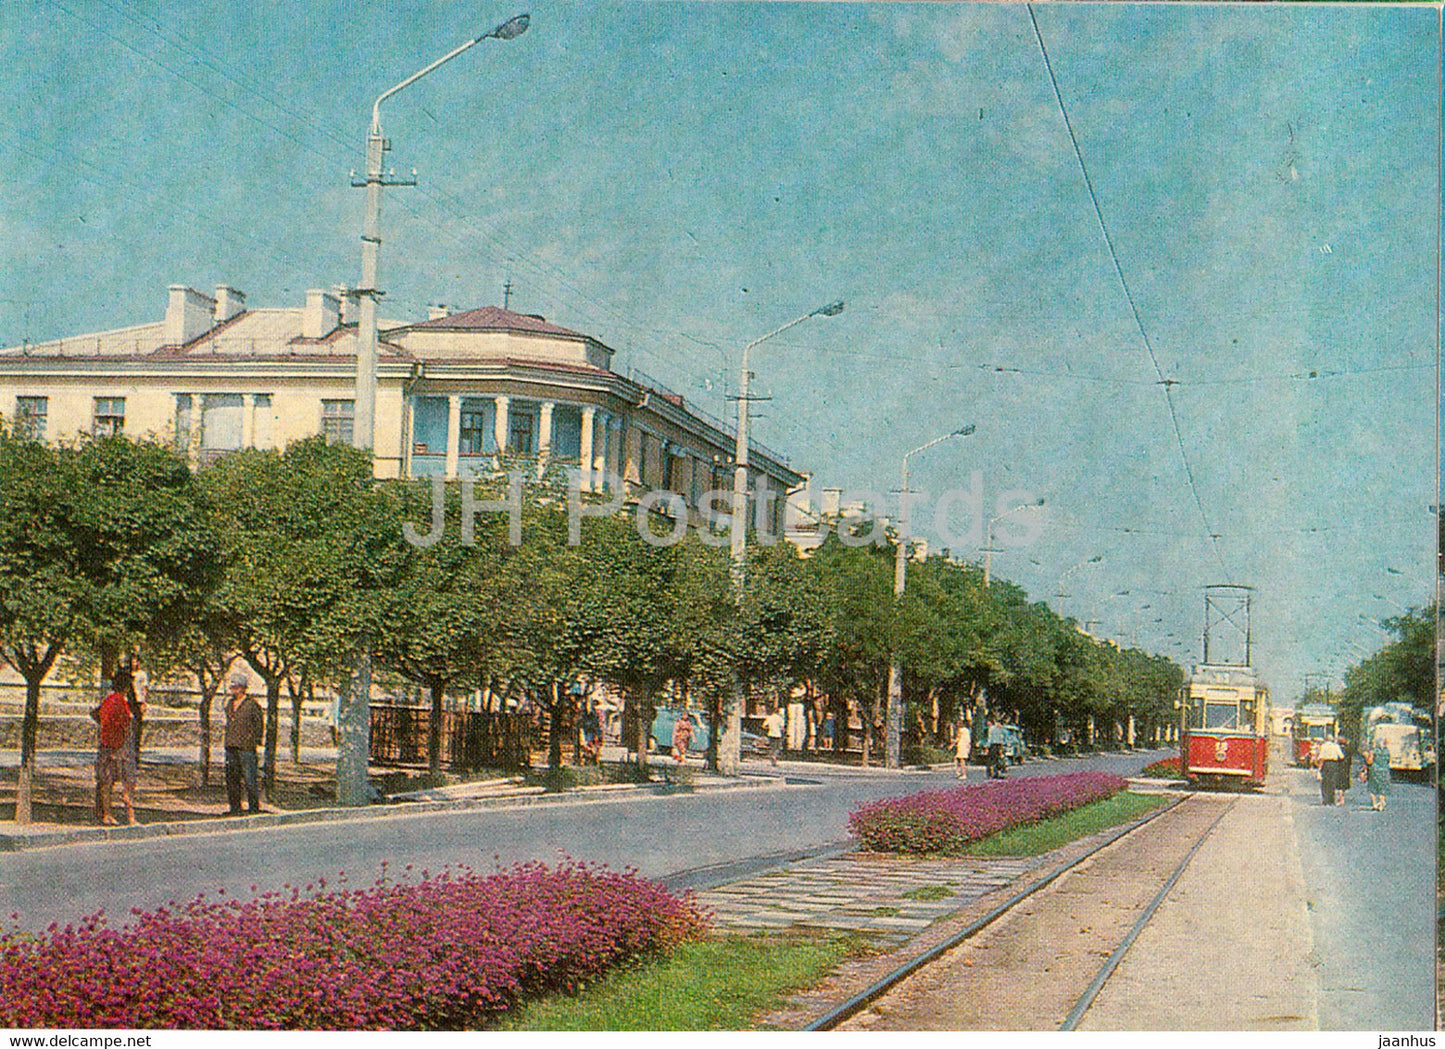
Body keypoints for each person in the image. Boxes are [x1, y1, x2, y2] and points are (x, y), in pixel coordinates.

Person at [91, 669, 137, 826]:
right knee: (127, 781)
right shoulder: (121, 702)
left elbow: (94, 713)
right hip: (119, 747)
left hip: (105, 744)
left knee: (106, 781)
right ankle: (131, 817)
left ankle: (106, 814)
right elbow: (126, 725)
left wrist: (103, 725)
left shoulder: (108, 700)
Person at [223, 670, 264, 815]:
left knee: (249, 778)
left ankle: (254, 808)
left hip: (246, 747)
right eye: (232, 687)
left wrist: (252, 741)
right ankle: (235, 808)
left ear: (242, 688)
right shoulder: (230, 704)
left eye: (236, 687)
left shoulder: (251, 705)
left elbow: (259, 725)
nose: (233, 690)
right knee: (232, 778)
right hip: (231, 746)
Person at [1362, 735, 1391, 811]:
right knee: (1382, 787)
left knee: (1373, 787)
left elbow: (1369, 761)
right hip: (1385, 770)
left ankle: (1374, 803)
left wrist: (1365, 756)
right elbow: (1388, 760)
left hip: (1375, 770)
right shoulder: (1387, 751)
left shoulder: (1373, 751)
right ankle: (1381, 802)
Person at [1316, 735, 1345, 806]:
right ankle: (1332, 800)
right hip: (1334, 764)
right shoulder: (1336, 746)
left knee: (1325, 782)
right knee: (1333, 781)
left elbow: (1321, 756)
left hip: (1326, 764)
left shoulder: (1323, 746)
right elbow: (1341, 756)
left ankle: (1325, 800)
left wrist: (1319, 766)